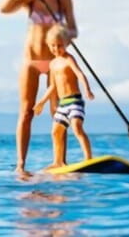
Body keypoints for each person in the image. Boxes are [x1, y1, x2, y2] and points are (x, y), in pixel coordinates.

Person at [0, 0, 78, 175]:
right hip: (31, 61)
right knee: (26, 112)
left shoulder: (64, 0)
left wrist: (62, 35)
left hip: (55, 62)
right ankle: (21, 165)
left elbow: (74, 30)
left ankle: (59, 162)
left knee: (59, 111)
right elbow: (4, 9)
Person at [34, 25, 94, 168]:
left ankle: (88, 158)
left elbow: (80, 74)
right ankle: (58, 162)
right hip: (62, 104)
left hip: (75, 101)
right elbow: (52, 87)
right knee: (55, 131)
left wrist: (87, 89)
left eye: (60, 45)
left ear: (66, 44)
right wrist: (41, 102)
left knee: (76, 127)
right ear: (48, 45)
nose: (56, 48)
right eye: (53, 46)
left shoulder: (69, 59)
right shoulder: (53, 64)